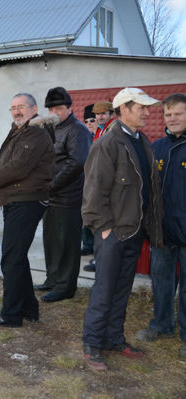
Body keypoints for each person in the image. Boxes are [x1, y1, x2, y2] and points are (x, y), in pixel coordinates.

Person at [81, 87, 163, 372]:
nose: (147, 112)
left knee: (122, 290)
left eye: (147, 107)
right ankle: (92, 344)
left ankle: (114, 339)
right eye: (142, 107)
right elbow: (93, 190)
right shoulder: (108, 143)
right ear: (124, 108)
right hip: (113, 232)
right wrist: (103, 228)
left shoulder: (142, 141)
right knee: (104, 290)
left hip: (134, 231)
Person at [0, 93, 54, 327]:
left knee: (11, 259)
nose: (16, 111)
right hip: (17, 200)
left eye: (21, 107)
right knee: (17, 257)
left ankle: (11, 314)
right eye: (12, 108)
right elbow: (5, 163)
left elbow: (18, 167)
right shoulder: (19, 131)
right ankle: (28, 309)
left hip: (27, 201)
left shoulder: (36, 133)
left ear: (34, 109)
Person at [136, 93, 186, 361]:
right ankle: (162, 325)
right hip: (162, 231)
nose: (172, 119)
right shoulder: (157, 147)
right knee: (162, 281)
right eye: (168, 115)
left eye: (178, 113)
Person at [35, 87, 92, 302]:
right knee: (51, 241)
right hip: (49, 197)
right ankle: (52, 279)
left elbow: (76, 163)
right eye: (51, 109)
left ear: (69, 108)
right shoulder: (52, 129)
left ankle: (66, 287)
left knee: (67, 244)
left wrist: (51, 185)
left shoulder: (77, 130)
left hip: (68, 197)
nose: (55, 112)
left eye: (59, 108)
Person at [84, 100, 116, 272]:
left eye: (103, 113)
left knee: (105, 225)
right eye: (97, 114)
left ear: (112, 114)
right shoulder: (100, 129)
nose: (99, 116)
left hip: (107, 185)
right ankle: (99, 258)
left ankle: (103, 261)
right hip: (97, 181)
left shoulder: (113, 130)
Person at [81, 104, 98, 256]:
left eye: (92, 120)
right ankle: (87, 245)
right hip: (84, 183)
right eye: (86, 121)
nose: (89, 124)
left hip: (98, 184)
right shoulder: (83, 137)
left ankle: (96, 247)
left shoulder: (104, 136)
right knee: (85, 215)